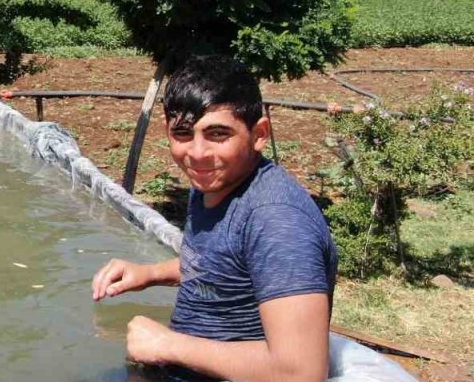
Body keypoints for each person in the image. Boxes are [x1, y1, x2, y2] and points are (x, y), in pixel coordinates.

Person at [91, 55, 338, 382]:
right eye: (182, 133)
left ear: (259, 134)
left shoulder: (278, 221)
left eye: (217, 134)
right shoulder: (214, 182)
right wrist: (150, 273)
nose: (197, 153)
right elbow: (222, 261)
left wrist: (169, 346)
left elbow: (301, 372)